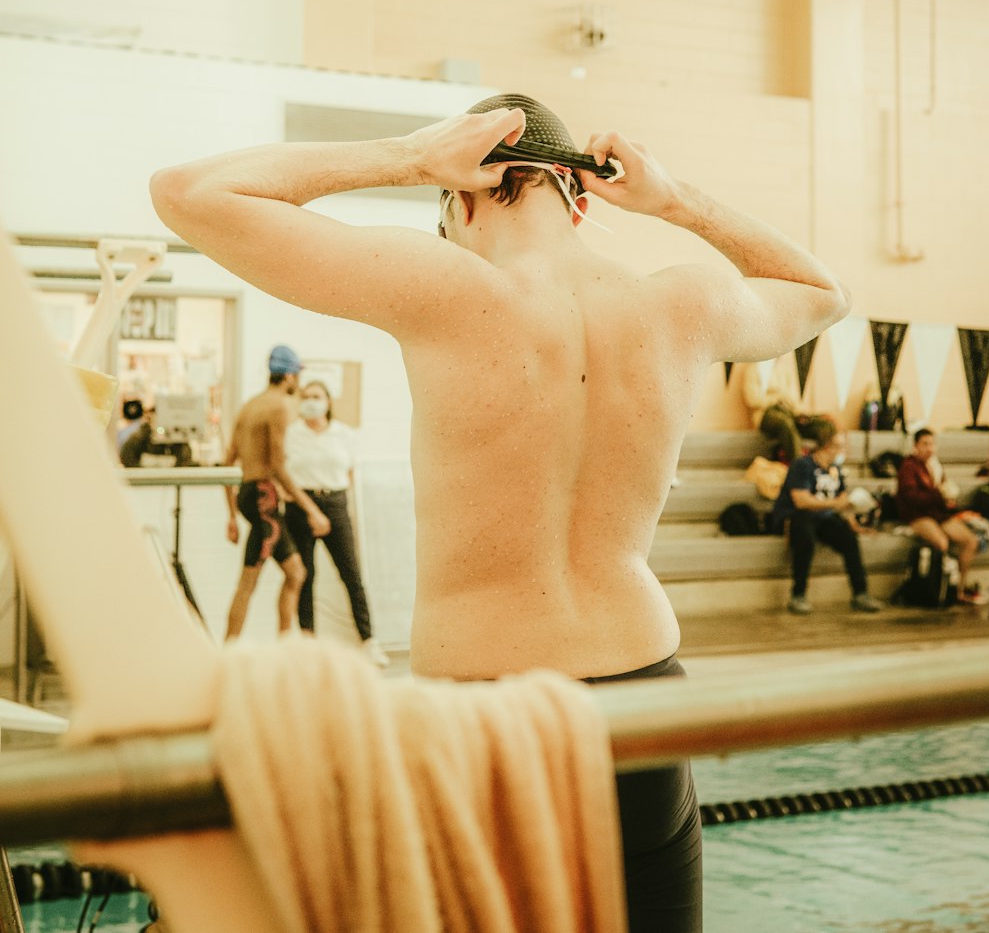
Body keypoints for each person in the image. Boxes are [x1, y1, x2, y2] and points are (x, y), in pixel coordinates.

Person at [150, 94, 851, 933]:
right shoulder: (682, 304)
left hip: (486, 713)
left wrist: (408, 154)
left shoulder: (439, 285)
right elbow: (820, 291)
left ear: (466, 196)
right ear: (581, 199)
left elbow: (186, 193)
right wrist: (673, 200)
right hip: (645, 695)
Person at [222, 345, 331, 640]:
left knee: (295, 573)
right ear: (290, 376)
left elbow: (227, 461)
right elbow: (277, 466)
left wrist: (232, 515)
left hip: (250, 495)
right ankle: (229, 651)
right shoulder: (281, 406)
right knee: (249, 581)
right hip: (263, 497)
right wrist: (312, 508)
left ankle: (285, 645)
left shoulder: (249, 405)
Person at [283, 378, 389, 667]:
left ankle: (369, 641)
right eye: (305, 396)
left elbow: (351, 472)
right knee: (304, 576)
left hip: (335, 503)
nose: (310, 401)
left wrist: (340, 508)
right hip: (300, 505)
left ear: (328, 402)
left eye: (316, 396)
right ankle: (308, 643)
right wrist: (307, 508)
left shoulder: (344, 435)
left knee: (352, 575)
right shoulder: (291, 434)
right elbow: (282, 473)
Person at [768, 422, 883, 615]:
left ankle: (860, 593)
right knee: (805, 538)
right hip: (796, 517)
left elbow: (843, 500)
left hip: (822, 518)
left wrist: (853, 523)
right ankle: (798, 594)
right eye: (840, 445)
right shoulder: (802, 465)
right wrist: (834, 504)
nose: (843, 450)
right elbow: (801, 501)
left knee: (848, 538)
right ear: (827, 446)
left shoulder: (835, 469)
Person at [895, 428, 982, 603]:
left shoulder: (935, 466)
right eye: (925, 444)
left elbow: (943, 491)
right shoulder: (908, 466)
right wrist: (939, 497)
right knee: (942, 543)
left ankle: (958, 589)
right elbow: (911, 497)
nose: (929, 448)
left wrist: (949, 503)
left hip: (938, 513)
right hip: (917, 515)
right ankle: (936, 589)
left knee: (971, 541)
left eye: (932, 444)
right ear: (915, 446)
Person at [741, 360, 831, 464]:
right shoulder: (753, 369)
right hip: (765, 413)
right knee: (786, 423)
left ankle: (823, 466)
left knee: (824, 425)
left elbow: (793, 398)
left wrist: (800, 413)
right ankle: (799, 467)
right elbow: (752, 400)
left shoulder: (783, 369)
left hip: (789, 412)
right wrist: (776, 397)